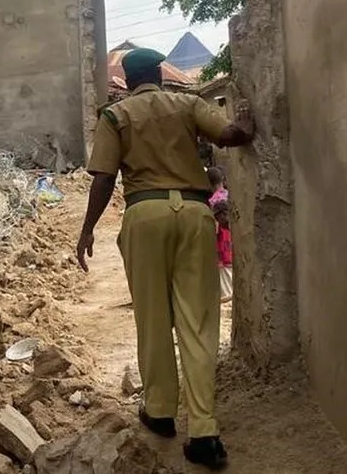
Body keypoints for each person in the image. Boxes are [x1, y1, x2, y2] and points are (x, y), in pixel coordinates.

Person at [76, 48, 254, 470]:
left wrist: (86, 230)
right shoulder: (188, 103)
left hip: (144, 214)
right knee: (198, 322)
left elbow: (103, 177)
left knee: (153, 318)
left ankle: (159, 413)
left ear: (127, 79)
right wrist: (246, 125)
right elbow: (229, 135)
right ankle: (205, 433)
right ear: (158, 72)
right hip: (194, 214)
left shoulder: (114, 117)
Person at [211, 200, 234, 303]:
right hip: (225, 261)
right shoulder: (222, 226)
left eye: (218, 217)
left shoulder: (227, 226)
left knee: (228, 295)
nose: (217, 220)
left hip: (227, 260)